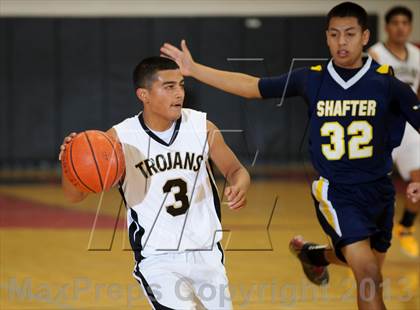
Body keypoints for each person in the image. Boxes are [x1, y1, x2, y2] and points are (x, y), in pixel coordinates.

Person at [160, 2, 420, 309]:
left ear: (365, 37)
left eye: (349, 34)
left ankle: (313, 255)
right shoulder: (312, 78)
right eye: (334, 34)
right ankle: (317, 255)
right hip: (337, 191)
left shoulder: (387, 83)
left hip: (380, 191)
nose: (341, 42)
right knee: (368, 275)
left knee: (367, 265)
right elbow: (251, 87)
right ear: (326, 38)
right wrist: (195, 70)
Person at [58, 57, 251, 309]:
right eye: (169, 87)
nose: (179, 93)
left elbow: (236, 169)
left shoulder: (202, 127)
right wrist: (70, 164)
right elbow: (75, 196)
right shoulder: (119, 139)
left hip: (207, 253)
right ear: (144, 94)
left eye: (181, 85)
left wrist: (239, 184)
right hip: (158, 260)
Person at [369, 6, 420, 258]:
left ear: (410, 27)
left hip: (410, 128)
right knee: (374, 186)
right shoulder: (375, 54)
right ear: (387, 27)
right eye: (396, 22)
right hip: (384, 128)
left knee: (419, 181)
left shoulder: (417, 54)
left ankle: (407, 227)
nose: (401, 27)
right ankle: (366, 237)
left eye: (405, 23)